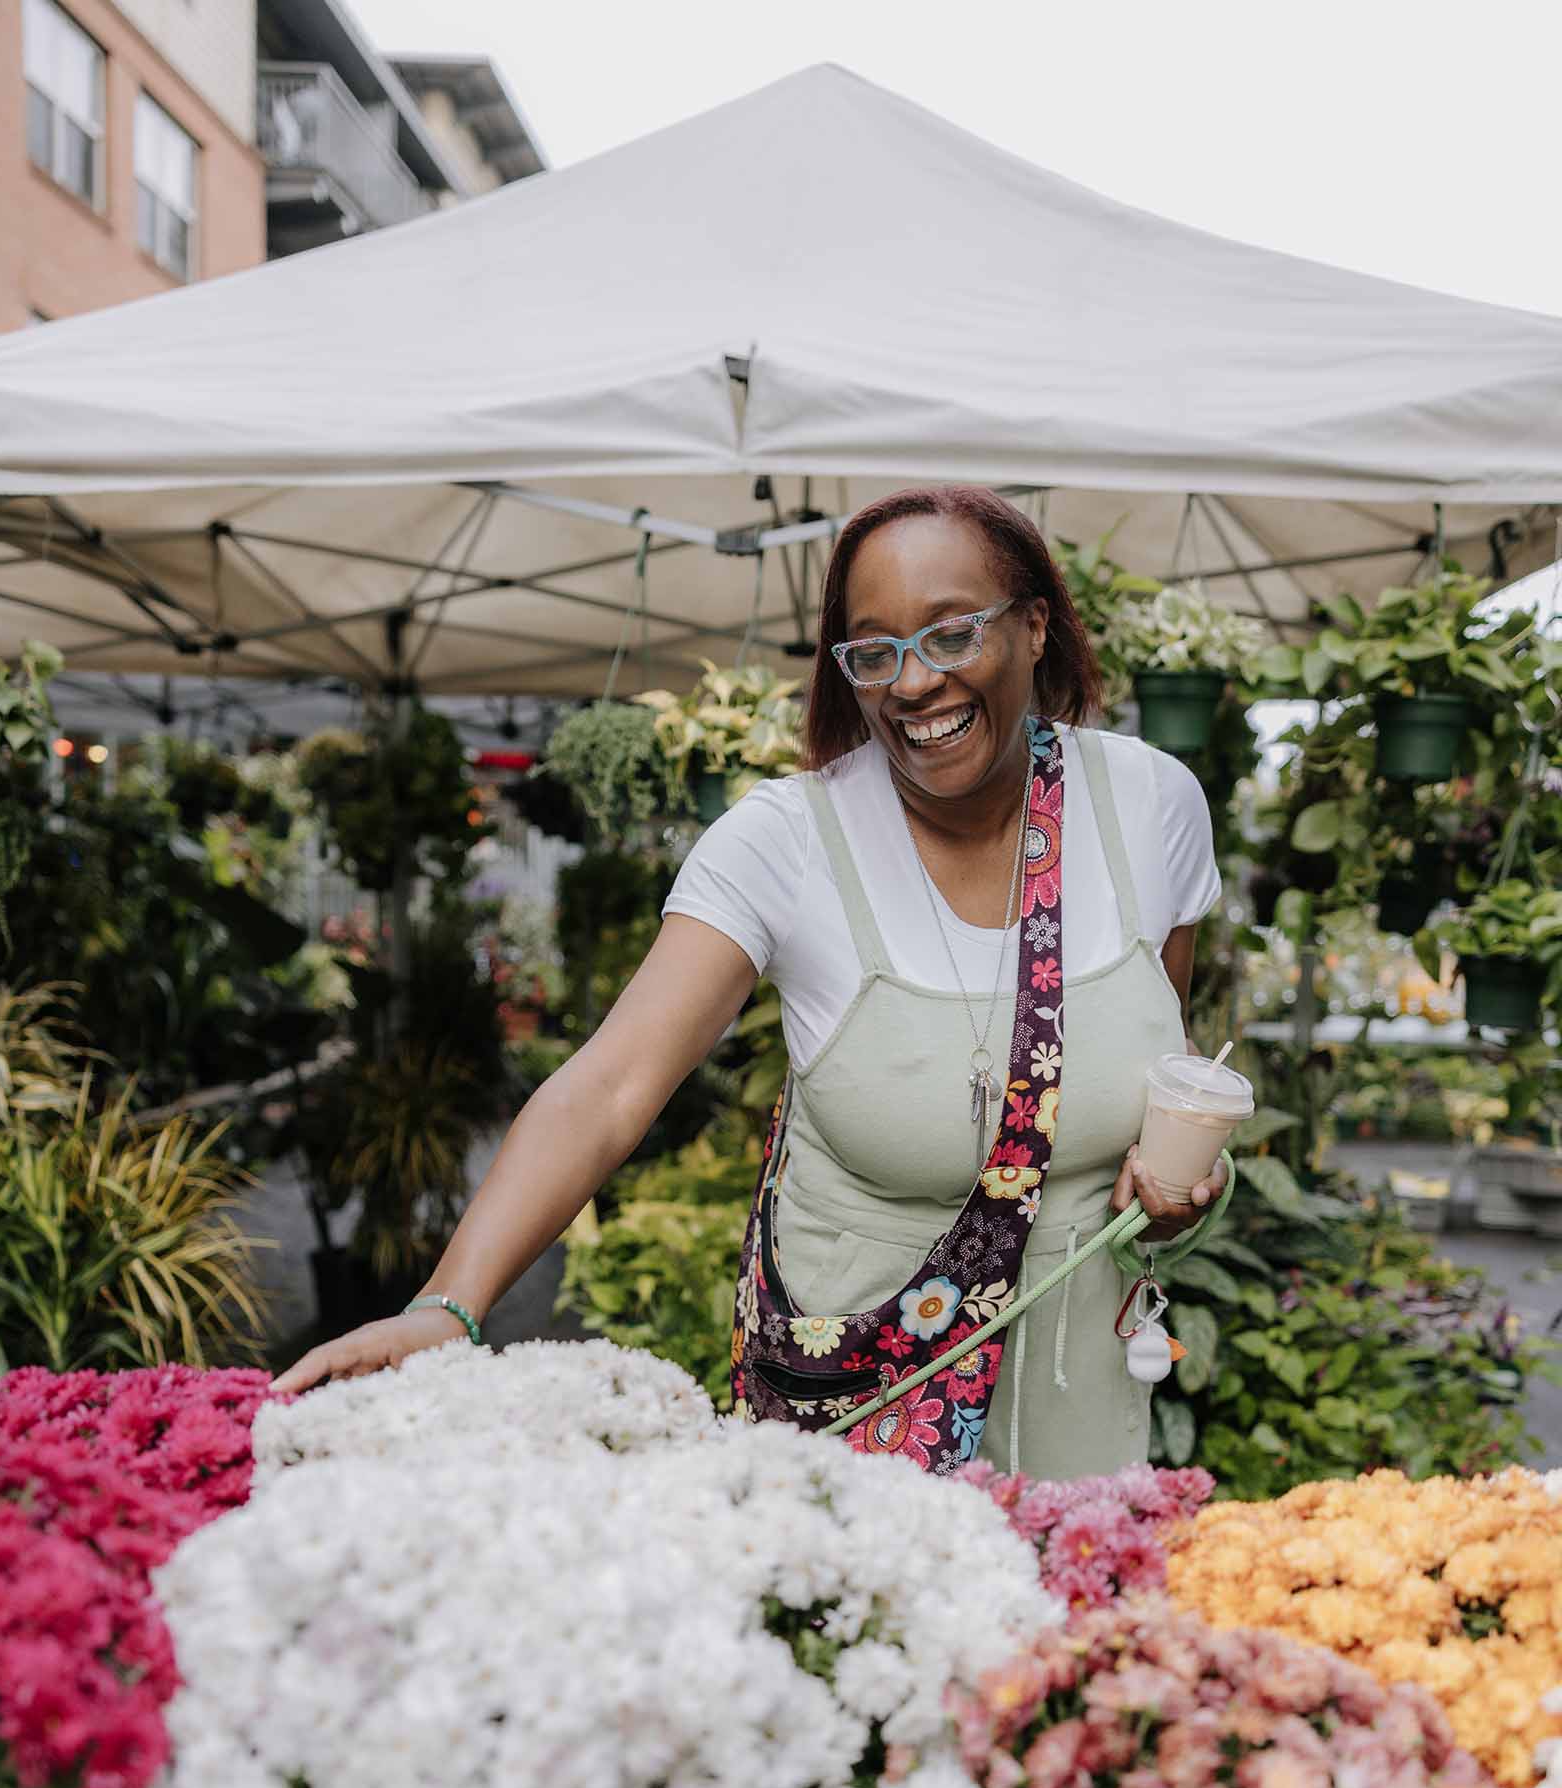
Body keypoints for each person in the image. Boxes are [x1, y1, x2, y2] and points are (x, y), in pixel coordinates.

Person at [272, 486, 1227, 1480]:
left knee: (1075, 1611)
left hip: (1080, 1364)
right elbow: (608, 1087)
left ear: (1033, 627)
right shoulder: (785, 841)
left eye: (950, 636)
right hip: (863, 1388)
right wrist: (448, 1301)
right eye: (873, 652)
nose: (912, 683)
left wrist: (1175, 1183)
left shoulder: (1149, 805)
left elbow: (1166, 1056)